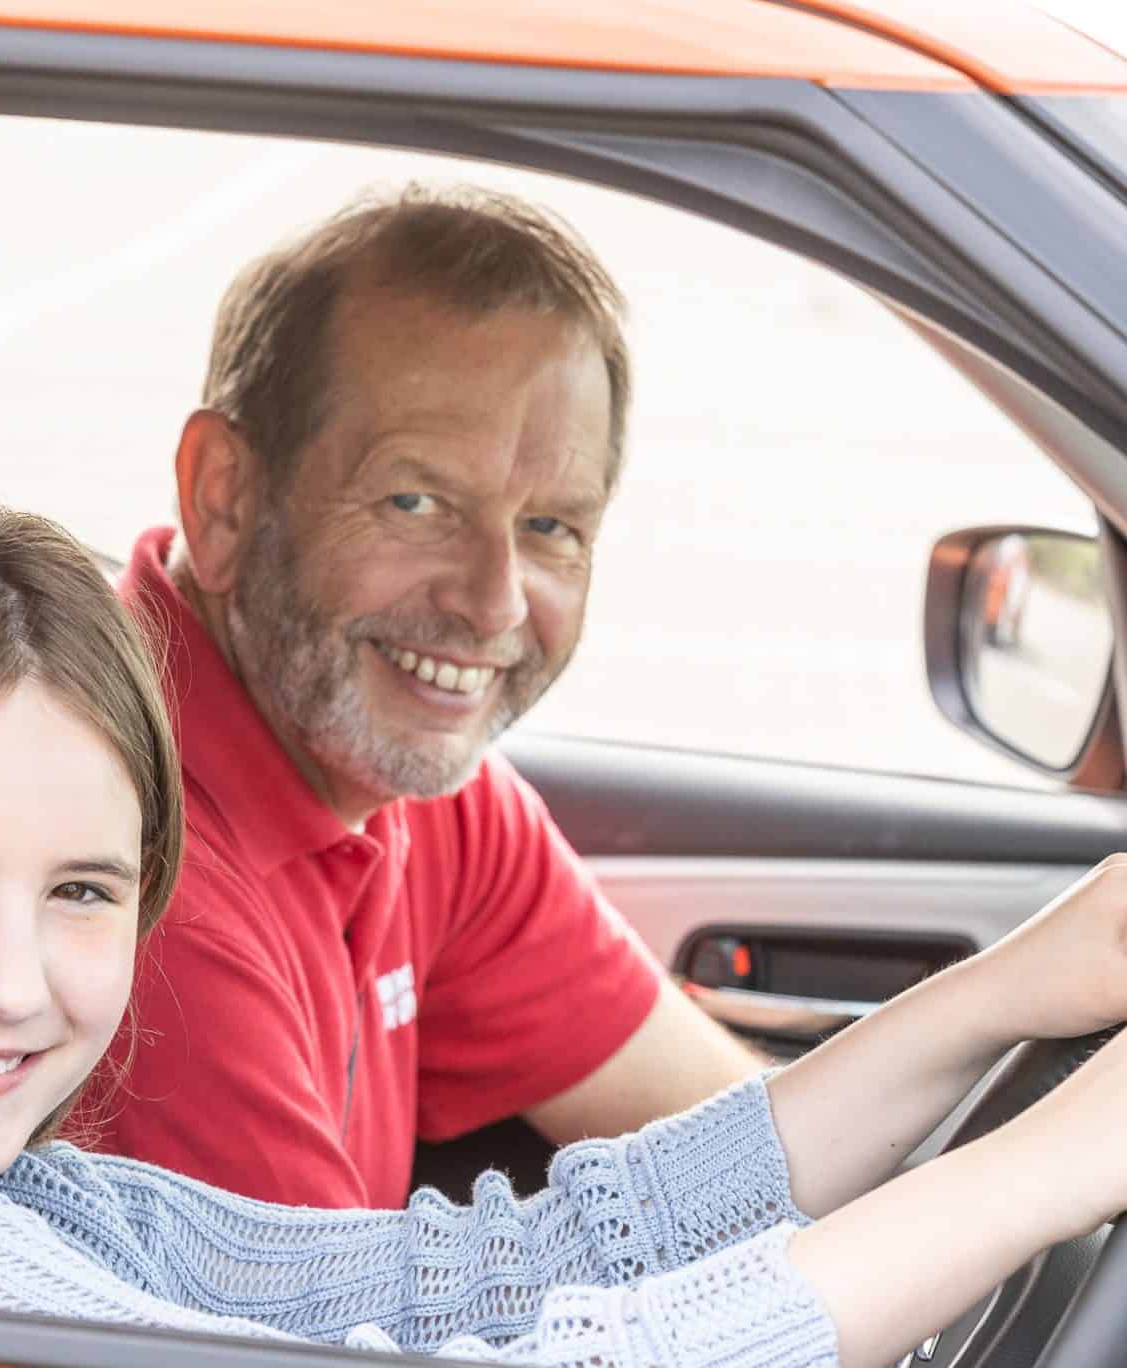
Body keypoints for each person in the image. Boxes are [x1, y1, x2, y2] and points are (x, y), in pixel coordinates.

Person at [0, 485, 1127, 1368]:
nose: (18, 980)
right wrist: (1045, 1170)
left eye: (85, 892)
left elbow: (482, 1276)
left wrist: (990, 1005)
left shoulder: (12, 1195)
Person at [102, 185, 756, 1209]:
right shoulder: (118, 864)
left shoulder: (412, 782)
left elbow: (737, 1146)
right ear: (224, 497)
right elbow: (318, 1355)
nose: (493, 602)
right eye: (417, 502)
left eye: (550, 527)